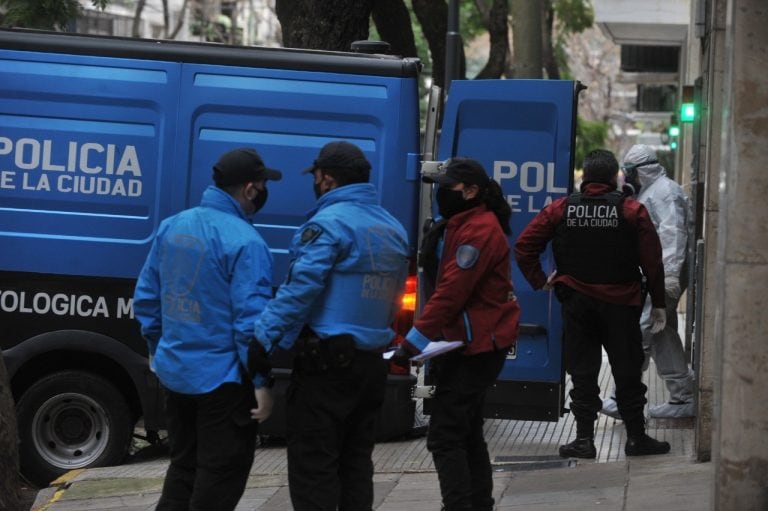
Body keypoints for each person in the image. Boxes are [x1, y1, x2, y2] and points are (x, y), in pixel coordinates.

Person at [248, 140, 409, 511]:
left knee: (313, 467)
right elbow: (395, 297)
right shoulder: (392, 228)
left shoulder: (328, 224)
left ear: (327, 179)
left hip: (325, 367)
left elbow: (301, 288)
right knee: (355, 464)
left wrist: (263, 339)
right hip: (371, 364)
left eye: (317, 177)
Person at [132, 148, 281, 510]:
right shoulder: (246, 241)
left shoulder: (171, 226)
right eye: (262, 185)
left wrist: (158, 347)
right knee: (219, 478)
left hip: (176, 374)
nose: (263, 192)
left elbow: (147, 299)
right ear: (249, 189)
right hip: (224, 382)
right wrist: (261, 382)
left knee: (183, 469)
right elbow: (250, 324)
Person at [514, 149, 671, 459]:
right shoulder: (632, 211)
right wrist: (660, 303)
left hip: (577, 304)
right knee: (627, 372)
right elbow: (652, 262)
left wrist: (541, 280)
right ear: (615, 178)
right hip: (621, 305)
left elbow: (524, 246)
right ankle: (637, 438)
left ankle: (584, 440)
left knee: (583, 373)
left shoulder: (559, 210)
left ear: (584, 177)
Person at [393, 157, 519, 511]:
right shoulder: (460, 224)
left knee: (445, 436)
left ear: (472, 191)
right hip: (468, 343)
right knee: (466, 432)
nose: (440, 193)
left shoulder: (478, 230)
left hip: (478, 345)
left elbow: (451, 292)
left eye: (446, 187)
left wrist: (412, 344)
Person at [601, 144, 695, 419]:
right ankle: (683, 395)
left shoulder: (664, 192)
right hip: (658, 276)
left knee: (639, 333)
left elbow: (672, 235)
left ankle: (624, 397)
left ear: (640, 170)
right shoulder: (655, 191)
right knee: (661, 332)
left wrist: (669, 279)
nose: (627, 178)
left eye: (629, 172)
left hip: (662, 278)